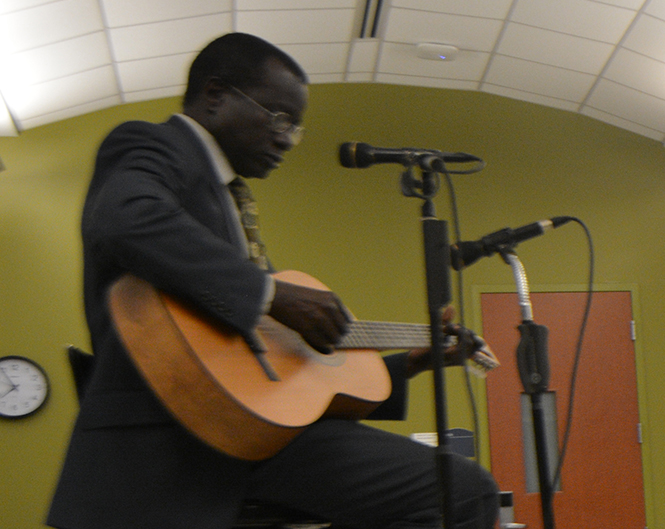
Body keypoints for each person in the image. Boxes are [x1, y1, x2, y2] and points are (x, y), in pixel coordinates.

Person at [47, 32, 499, 529]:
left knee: (461, 490)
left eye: (296, 128)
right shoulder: (152, 144)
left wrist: (409, 363)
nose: (287, 138)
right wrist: (270, 292)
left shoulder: (227, 205)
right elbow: (124, 217)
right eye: (279, 118)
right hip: (169, 440)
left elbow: (277, 373)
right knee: (460, 493)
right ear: (215, 95)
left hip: (247, 438)